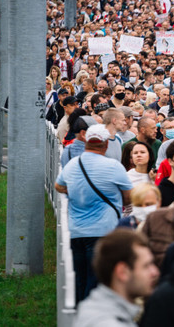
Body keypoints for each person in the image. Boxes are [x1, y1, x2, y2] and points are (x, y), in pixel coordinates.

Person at [54, 124, 133, 302]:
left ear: (86, 142)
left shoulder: (74, 164)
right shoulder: (113, 166)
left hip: (76, 231)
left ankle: (76, 315)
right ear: (106, 144)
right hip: (103, 231)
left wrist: (75, 191)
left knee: (79, 278)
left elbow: (59, 186)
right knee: (96, 279)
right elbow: (129, 197)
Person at [75, 229, 160, 327]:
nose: (155, 272)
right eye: (146, 266)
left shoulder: (93, 308)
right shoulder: (109, 323)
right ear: (122, 272)